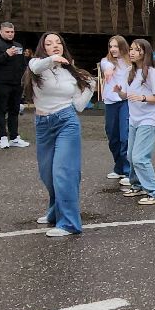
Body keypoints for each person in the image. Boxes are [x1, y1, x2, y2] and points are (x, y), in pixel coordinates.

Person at [26, 33, 96, 237]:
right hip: (42, 124)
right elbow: (37, 66)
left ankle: (69, 223)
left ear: (63, 47)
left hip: (67, 121)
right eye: (49, 43)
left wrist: (90, 87)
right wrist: (52, 60)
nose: (54, 46)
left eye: (58, 43)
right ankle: (54, 211)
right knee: (47, 174)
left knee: (63, 173)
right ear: (43, 48)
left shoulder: (70, 74)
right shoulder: (36, 66)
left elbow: (79, 106)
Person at [118, 38, 155, 205]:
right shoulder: (129, 72)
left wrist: (143, 97)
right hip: (134, 120)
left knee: (139, 158)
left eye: (137, 50)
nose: (132, 52)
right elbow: (126, 95)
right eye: (131, 49)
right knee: (131, 156)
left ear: (145, 53)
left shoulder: (154, 74)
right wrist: (120, 93)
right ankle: (137, 185)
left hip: (149, 120)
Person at [0, 22, 29, 149]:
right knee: (1, 110)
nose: (10, 34)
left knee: (14, 111)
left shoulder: (18, 45)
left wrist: (26, 59)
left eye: (12, 32)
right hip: (0, 83)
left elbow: (22, 64)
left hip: (16, 83)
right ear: (1, 32)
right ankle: (2, 137)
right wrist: (6, 54)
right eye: (7, 32)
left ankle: (14, 137)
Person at [97, 34, 132, 183]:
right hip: (111, 102)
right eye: (111, 46)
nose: (113, 49)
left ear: (123, 47)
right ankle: (118, 168)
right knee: (113, 136)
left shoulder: (130, 62)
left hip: (125, 101)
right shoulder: (106, 61)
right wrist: (109, 68)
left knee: (125, 136)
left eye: (116, 46)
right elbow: (106, 66)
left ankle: (128, 171)